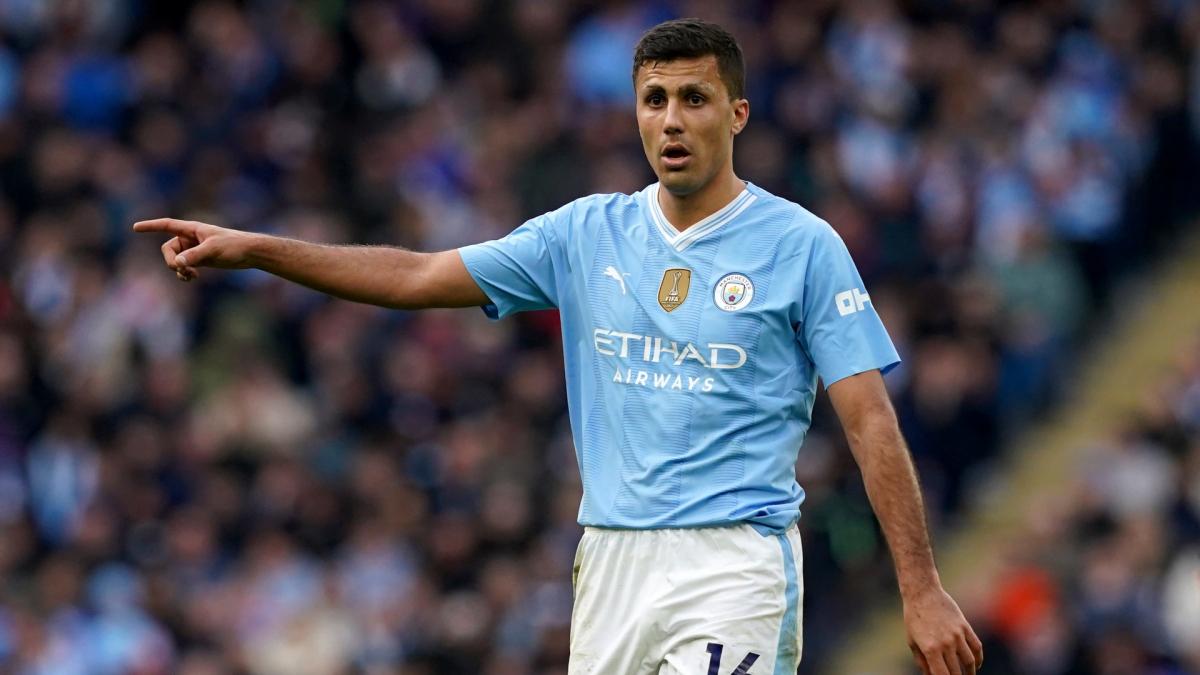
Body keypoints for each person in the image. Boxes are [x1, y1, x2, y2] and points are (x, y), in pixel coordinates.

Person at [135, 18, 983, 675]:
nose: (672, 119)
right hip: (610, 558)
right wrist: (258, 249)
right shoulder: (585, 233)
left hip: (735, 560)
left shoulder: (801, 246)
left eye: (694, 97)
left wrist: (920, 586)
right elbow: (414, 276)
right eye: (655, 100)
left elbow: (871, 422)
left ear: (738, 112)